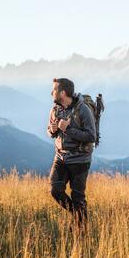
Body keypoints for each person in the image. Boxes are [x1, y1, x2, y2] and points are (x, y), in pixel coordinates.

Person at [47, 78, 96, 228]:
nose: (51, 93)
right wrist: (52, 130)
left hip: (80, 159)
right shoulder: (55, 109)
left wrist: (68, 129)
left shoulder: (83, 110)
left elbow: (91, 136)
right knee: (55, 190)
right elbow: (49, 131)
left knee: (78, 197)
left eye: (54, 90)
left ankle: (82, 234)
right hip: (60, 157)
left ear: (62, 92)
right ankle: (77, 215)